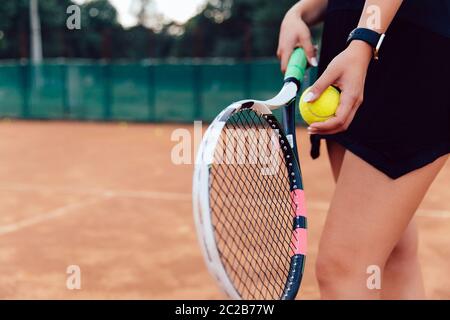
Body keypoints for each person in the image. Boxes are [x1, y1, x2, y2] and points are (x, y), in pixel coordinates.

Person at [277, 0, 449, 299]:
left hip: (401, 46)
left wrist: (366, 39)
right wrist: (299, 12)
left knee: (344, 269)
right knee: (392, 255)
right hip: (351, 45)